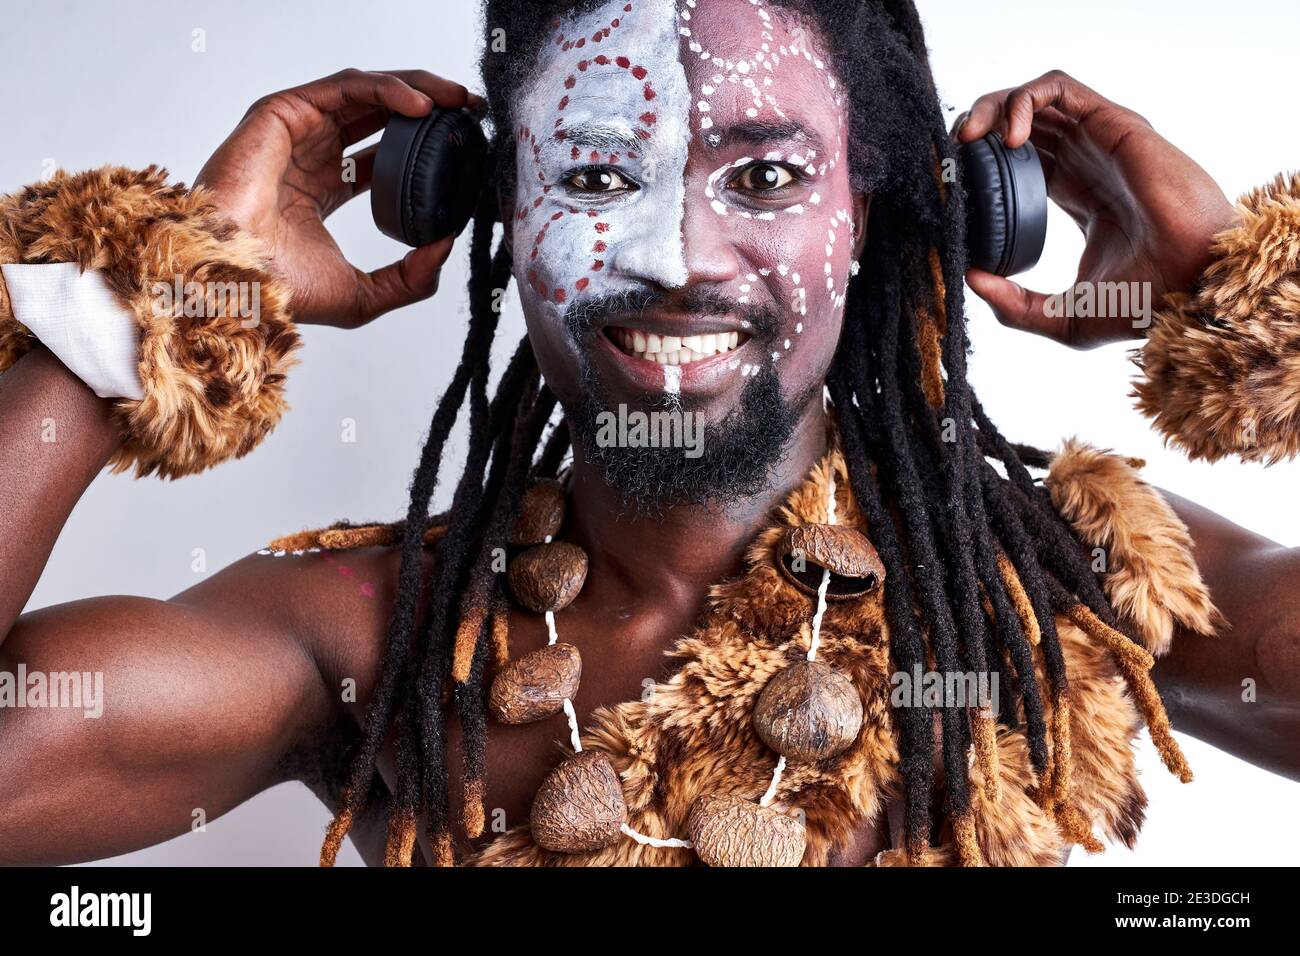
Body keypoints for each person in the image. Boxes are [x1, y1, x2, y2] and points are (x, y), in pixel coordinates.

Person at [0, 0, 1296, 867]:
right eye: (600, 175)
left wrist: (1247, 295)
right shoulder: (366, 628)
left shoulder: (1066, 574)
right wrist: (157, 299)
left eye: (769, 177)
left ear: (899, 214)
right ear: (491, 201)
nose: (678, 256)